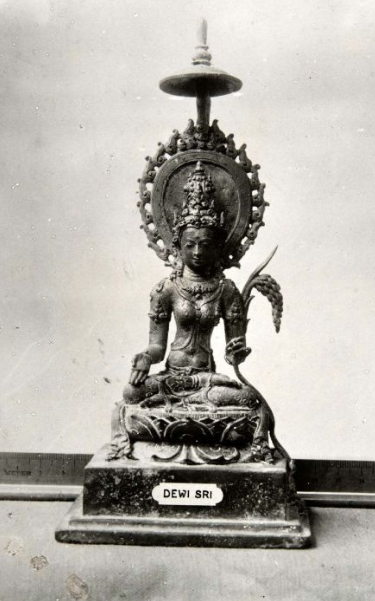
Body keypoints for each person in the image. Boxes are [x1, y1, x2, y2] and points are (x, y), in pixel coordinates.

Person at [108, 162, 270, 461]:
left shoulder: (226, 290)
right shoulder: (166, 289)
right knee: (131, 394)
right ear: (177, 245)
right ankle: (205, 433)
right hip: (170, 380)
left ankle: (173, 431)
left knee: (248, 399)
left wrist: (237, 351)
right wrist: (145, 358)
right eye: (190, 244)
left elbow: (235, 351)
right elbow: (157, 347)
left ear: (217, 246)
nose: (197, 252)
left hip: (207, 382)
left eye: (205, 245)